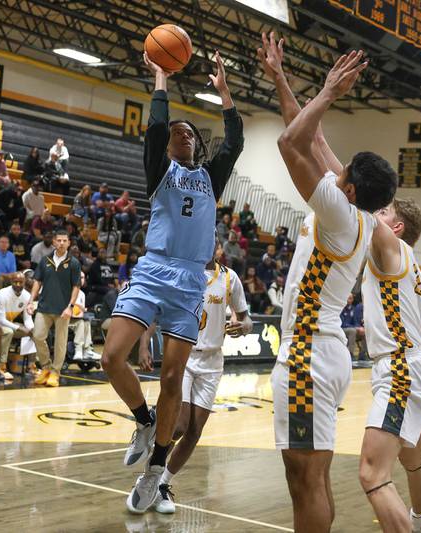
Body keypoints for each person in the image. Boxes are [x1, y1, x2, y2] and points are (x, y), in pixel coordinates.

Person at [258, 35, 394, 531]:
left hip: (308, 356)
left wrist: (331, 94)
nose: (334, 168)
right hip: (322, 352)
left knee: (307, 481)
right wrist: (279, 77)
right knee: (310, 478)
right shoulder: (357, 212)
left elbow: (289, 142)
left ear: (351, 187)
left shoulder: (338, 212)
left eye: (343, 172)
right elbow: (310, 137)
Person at [103, 49, 243, 513]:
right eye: (176, 132)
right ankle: (142, 422)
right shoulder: (158, 171)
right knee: (111, 356)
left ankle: (156, 470)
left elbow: (234, 143)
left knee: (171, 378)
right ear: (167, 146)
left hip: (188, 281)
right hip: (152, 269)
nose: (181, 134)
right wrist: (161, 78)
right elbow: (157, 126)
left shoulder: (210, 178)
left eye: (188, 133)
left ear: (194, 147)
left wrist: (225, 95)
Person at [357, 198, 421, 533]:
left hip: (398, 370)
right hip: (413, 364)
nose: (377, 212)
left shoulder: (389, 247)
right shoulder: (413, 266)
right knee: (413, 459)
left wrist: (317, 145)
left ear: (397, 227)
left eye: (385, 211)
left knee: (371, 473)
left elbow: (357, 203)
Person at [153, 249, 251, 514]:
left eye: (215, 242)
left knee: (194, 432)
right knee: (179, 426)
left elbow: (245, 318)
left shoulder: (230, 278)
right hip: (184, 354)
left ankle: (162, 483)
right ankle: (151, 472)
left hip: (212, 361)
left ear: (219, 248)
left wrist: (243, 327)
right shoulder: (185, 273)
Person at [27, 229, 81, 387]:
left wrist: (70, 307)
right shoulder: (45, 261)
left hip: (63, 309)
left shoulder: (74, 263)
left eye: (65, 240)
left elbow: (76, 287)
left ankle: (55, 372)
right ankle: (46, 367)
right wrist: (31, 300)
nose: (62, 243)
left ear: (69, 243)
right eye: (59, 240)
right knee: (37, 335)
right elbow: (37, 281)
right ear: (54, 242)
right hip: (44, 306)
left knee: (60, 342)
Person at [0, 272, 34, 380]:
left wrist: (31, 328)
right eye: (15, 281)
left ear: (24, 282)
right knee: (9, 331)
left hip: (11, 324)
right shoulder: (2, 294)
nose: (18, 284)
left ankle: (31, 366)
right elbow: (1, 319)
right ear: (11, 281)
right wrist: (19, 327)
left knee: (34, 333)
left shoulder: (27, 296)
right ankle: (1, 366)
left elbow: (27, 318)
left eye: (20, 282)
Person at [67, 272, 101, 362]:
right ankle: (78, 350)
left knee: (86, 322)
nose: (82, 279)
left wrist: (80, 309)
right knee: (81, 322)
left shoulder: (82, 293)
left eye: (83, 278)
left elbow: (80, 312)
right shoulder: (67, 291)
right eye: (80, 277)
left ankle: (87, 350)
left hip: (75, 320)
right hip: (64, 320)